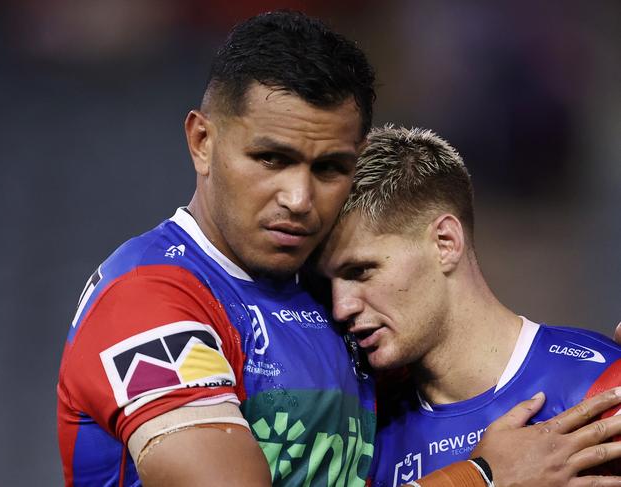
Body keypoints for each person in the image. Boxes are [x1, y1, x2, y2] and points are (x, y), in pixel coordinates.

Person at [57, 10, 621, 487]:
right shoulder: (150, 299)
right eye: (271, 159)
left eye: (329, 168)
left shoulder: (331, 308)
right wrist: (483, 476)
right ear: (202, 141)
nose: (300, 198)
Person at [317, 125, 621, 486]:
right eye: (328, 284)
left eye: (361, 271)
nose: (341, 307)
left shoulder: (603, 390)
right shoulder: (361, 431)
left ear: (445, 242)